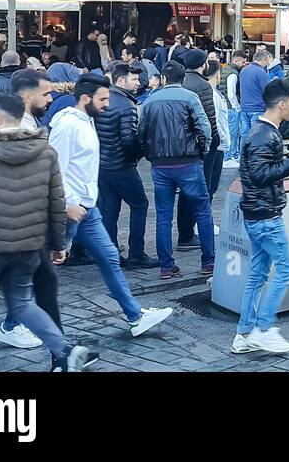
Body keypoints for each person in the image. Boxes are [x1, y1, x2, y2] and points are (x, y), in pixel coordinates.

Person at [0, 94, 97, 372]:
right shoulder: (45, 151)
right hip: (28, 244)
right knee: (21, 304)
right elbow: (56, 201)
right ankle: (65, 350)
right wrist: (57, 243)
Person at [50, 74, 173, 335]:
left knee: (109, 258)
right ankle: (12, 323)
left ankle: (135, 316)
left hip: (86, 208)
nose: (107, 104)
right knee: (38, 269)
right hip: (71, 209)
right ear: (86, 98)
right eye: (103, 99)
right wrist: (67, 205)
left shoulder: (87, 121)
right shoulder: (68, 125)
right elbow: (54, 169)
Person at [233, 80, 289, 355]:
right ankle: (265, 328)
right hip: (266, 217)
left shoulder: (264, 132)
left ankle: (244, 334)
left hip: (259, 214)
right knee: (286, 268)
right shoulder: (263, 134)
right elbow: (258, 175)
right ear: (281, 104)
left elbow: (266, 171)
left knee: (257, 275)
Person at [138, 61, 214, 279]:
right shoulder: (190, 97)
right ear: (183, 78)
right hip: (188, 161)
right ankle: (208, 261)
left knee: (163, 215)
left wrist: (149, 152)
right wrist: (203, 150)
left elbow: (141, 131)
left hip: (160, 164)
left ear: (163, 78)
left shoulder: (150, 100)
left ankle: (166, 266)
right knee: (202, 210)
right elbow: (204, 127)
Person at [95, 64, 157, 269]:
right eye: (134, 79)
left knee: (110, 210)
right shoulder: (125, 105)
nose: (139, 83)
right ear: (120, 80)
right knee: (140, 204)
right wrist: (140, 153)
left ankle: (110, 254)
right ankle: (136, 253)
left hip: (104, 164)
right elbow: (129, 139)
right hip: (121, 164)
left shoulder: (105, 100)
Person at [179, 49, 222, 249]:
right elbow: (209, 119)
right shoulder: (203, 86)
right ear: (203, 64)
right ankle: (189, 235)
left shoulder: (181, 81)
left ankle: (184, 233)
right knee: (199, 190)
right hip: (200, 146)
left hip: (181, 144)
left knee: (185, 193)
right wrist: (214, 142)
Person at [238, 48, 272, 133]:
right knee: (255, 135)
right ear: (263, 59)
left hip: (244, 108)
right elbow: (266, 91)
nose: (267, 64)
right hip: (257, 108)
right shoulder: (261, 72)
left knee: (244, 134)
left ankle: (242, 147)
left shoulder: (243, 70)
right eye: (267, 61)